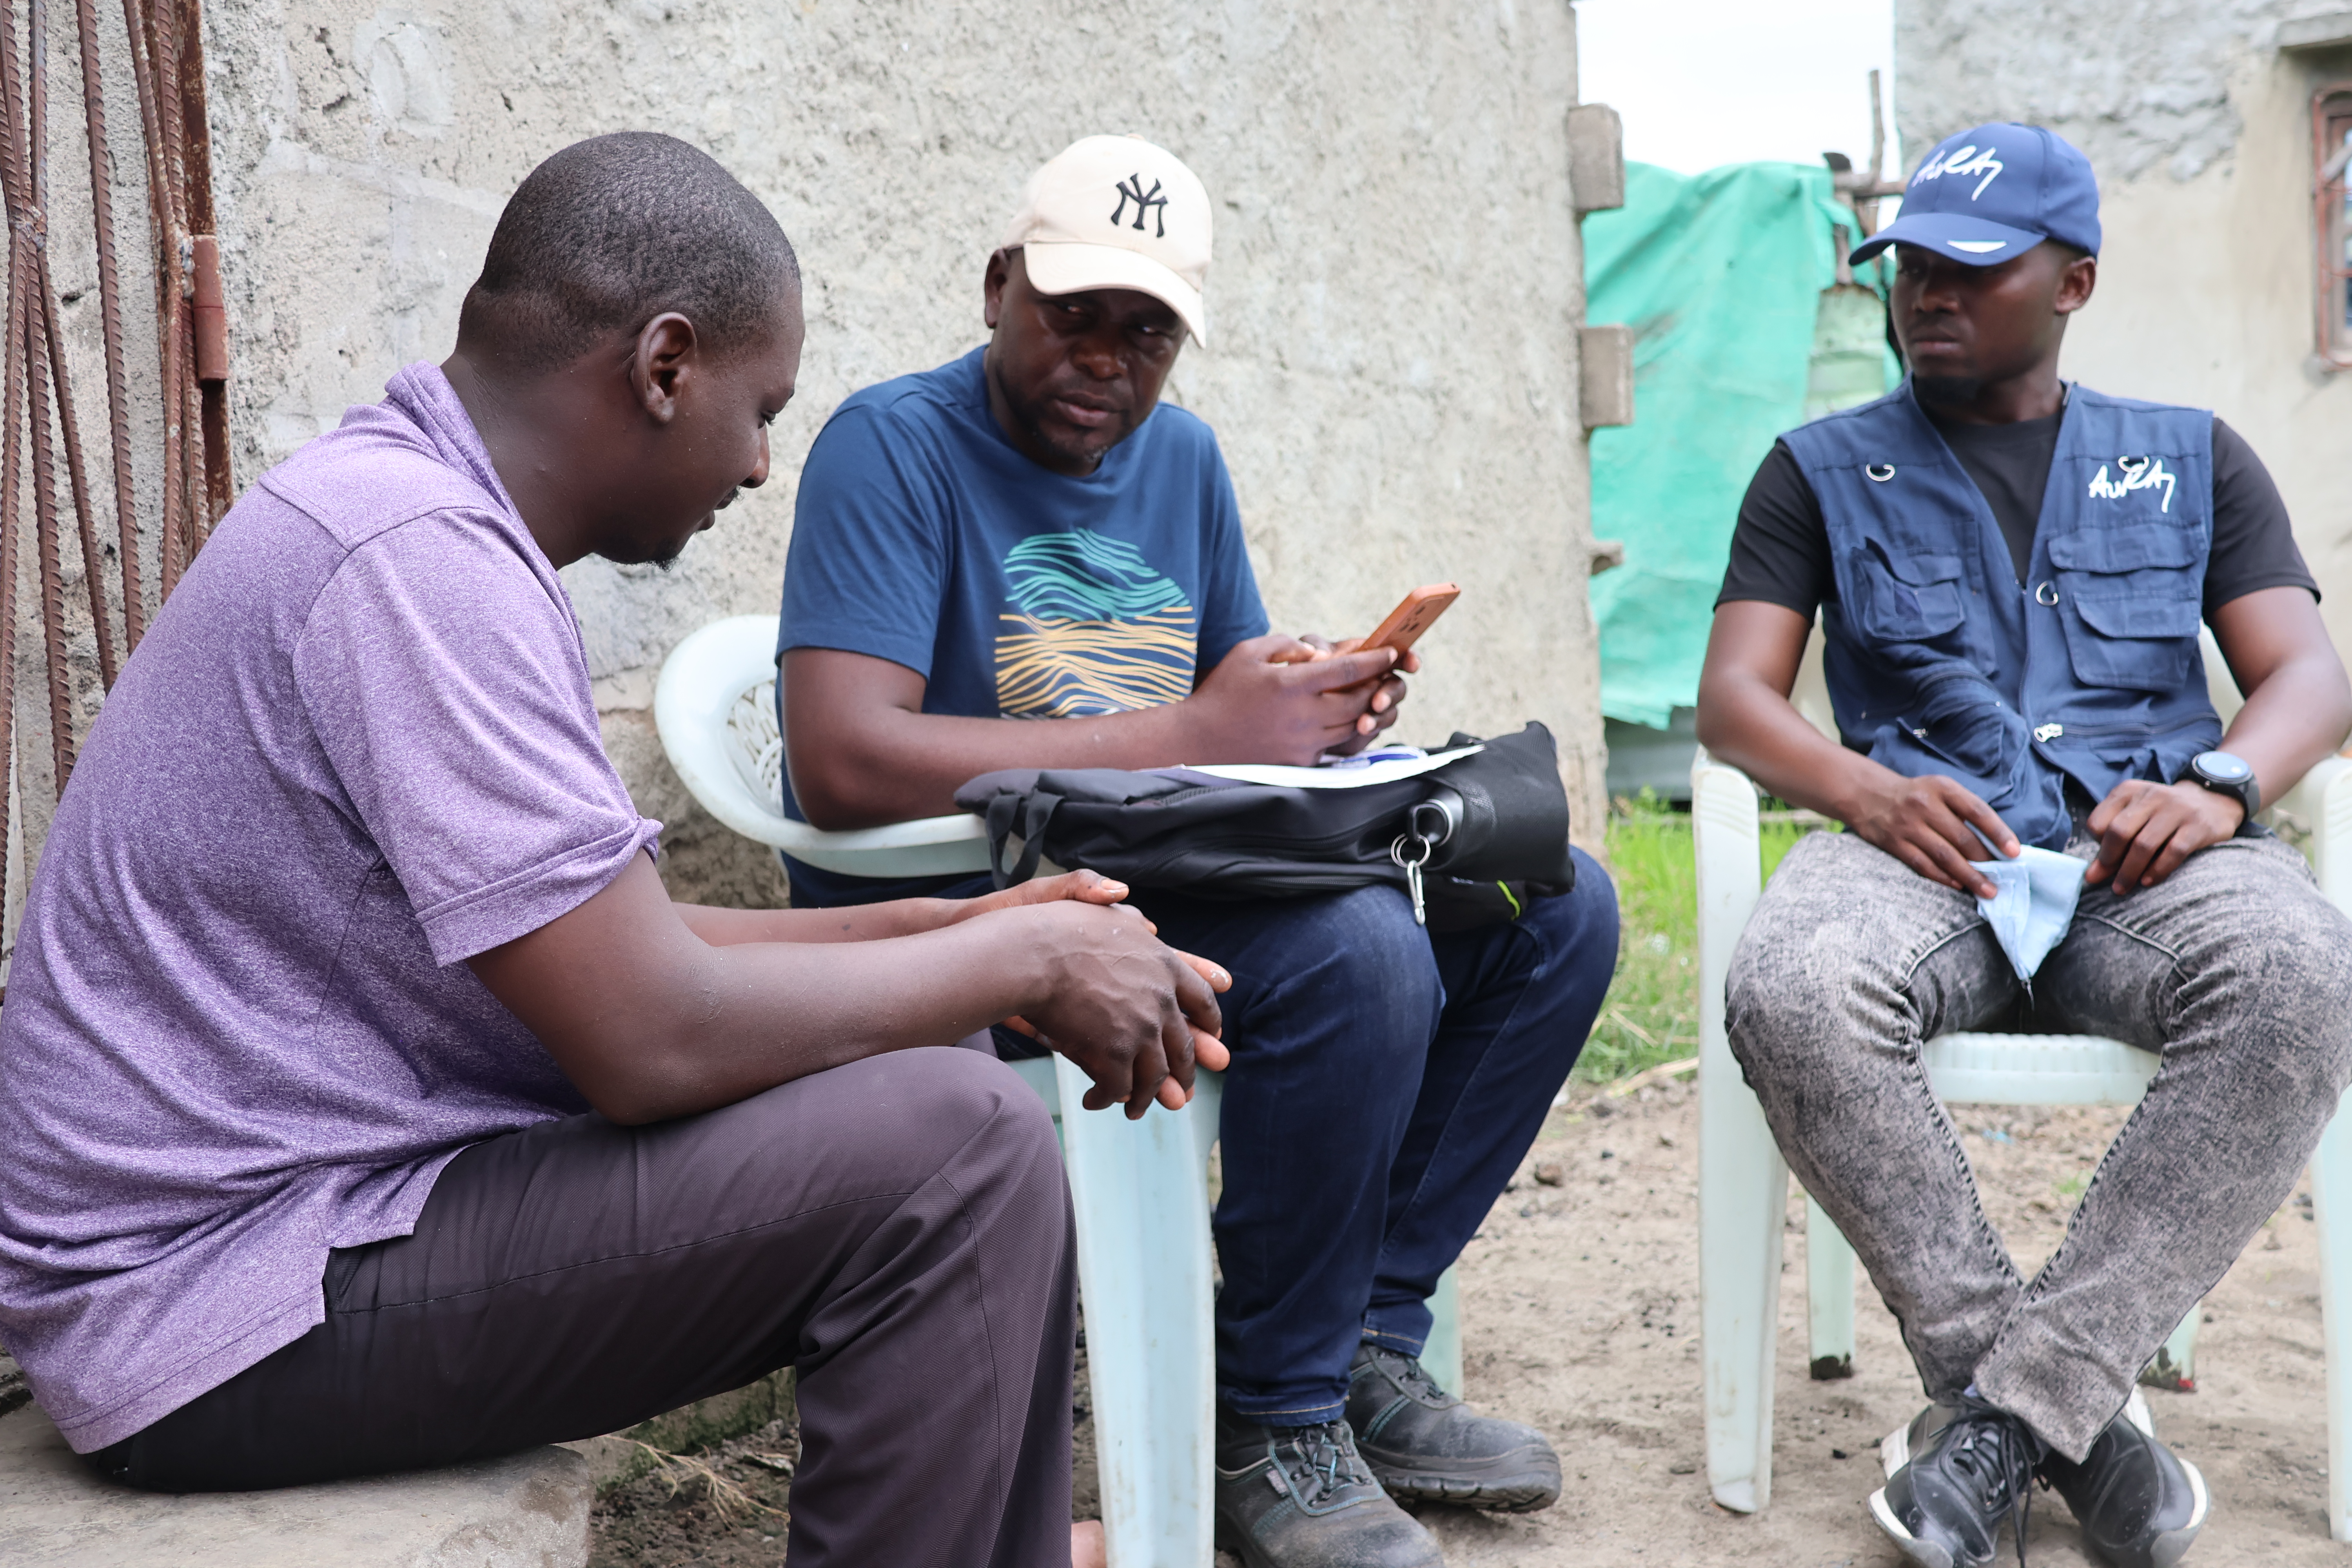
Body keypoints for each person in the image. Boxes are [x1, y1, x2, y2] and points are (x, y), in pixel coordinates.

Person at [0, 132, 1232, 1568]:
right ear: (664, 368)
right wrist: (1014, 951)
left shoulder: (425, 522)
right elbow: (649, 1036)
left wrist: (960, 945)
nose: (764, 466)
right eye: (759, 409)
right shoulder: (416, 565)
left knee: (942, 1074)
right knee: (952, 1148)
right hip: (215, 1303)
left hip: (312, 1225)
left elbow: (626, 943)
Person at [776, 133, 1620, 1568]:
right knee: (1361, 956)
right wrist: (1196, 728)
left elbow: (1219, 703)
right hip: (988, 911)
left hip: (1172, 864)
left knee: (1559, 907)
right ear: (999, 290)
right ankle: (1265, 1425)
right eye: (1076, 314)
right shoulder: (894, 446)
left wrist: (1311, 709)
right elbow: (845, 759)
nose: (1108, 358)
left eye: (1148, 329)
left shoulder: (1184, 460)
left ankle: (1354, 1341)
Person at [1697, 122, 2352, 1568]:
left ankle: (1998, 1430)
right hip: (1922, 855)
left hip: (2146, 868)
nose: (1928, 291)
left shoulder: (2193, 461)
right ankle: (2070, 1419)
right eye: (1910, 265)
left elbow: (2314, 678)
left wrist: (2228, 787)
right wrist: (1863, 791)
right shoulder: (1818, 468)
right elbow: (1736, 699)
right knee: (1794, 985)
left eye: (1970, 271)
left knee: (2302, 967)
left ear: (2075, 283)